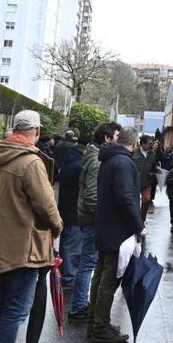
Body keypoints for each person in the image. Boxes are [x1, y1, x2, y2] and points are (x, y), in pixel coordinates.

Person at [0, 110, 63, 343]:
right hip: (25, 244)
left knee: (3, 304)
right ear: (36, 131)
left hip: (4, 241)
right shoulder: (30, 161)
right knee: (16, 308)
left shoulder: (1, 156)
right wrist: (58, 226)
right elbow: (45, 203)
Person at [91, 126, 146, 343]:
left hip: (106, 226)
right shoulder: (123, 163)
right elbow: (125, 196)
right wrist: (138, 225)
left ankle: (95, 322)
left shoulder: (109, 160)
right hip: (118, 231)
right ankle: (100, 326)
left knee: (101, 275)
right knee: (109, 279)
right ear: (134, 144)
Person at [71, 121, 120, 322]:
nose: (119, 141)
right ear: (107, 138)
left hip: (90, 218)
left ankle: (81, 303)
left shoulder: (93, 155)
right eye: (117, 137)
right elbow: (92, 195)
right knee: (88, 262)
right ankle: (79, 306)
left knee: (89, 261)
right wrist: (103, 217)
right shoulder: (97, 159)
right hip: (93, 219)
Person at [56, 136, 85, 289]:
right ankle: (68, 276)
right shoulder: (79, 166)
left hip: (65, 209)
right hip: (75, 211)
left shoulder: (68, 164)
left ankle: (65, 273)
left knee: (66, 243)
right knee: (73, 245)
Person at [132, 136, 159, 221]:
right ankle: (134, 219)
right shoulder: (133, 152)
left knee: (147, 199)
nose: (151, 145)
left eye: (152, 143)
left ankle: (141, 219)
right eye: (149, 143)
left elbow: (154, 165)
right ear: (143, 144)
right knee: (133, 203)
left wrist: (156, 169)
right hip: (134, 182)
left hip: (147, 181)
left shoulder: (152, 154)